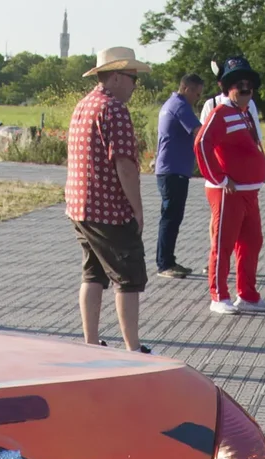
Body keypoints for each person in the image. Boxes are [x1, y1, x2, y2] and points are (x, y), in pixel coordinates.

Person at [67, 47, 152, 352]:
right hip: (109, 209)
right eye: (132, 78)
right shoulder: (114, 109)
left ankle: (90, 341)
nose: (134, 85)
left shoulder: (84, 105)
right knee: (127, 277)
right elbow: (125, 165)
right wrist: (137, 208)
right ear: (116, 77)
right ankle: (133, 346)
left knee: (92, 273)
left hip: (81, 205)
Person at [196, 57, 265, 315]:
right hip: (229, 192)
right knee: (224, 244)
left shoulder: (245, 112)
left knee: (252, 242)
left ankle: (248, 295)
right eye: (239, 84)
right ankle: (218, 295)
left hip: (249, 192)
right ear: (228, 87)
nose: (245, 89)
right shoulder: (221, 112)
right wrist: (219, 178)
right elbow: (201, 144)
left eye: (248, 84)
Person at [154, 73, 204, 279]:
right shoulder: (181, 106)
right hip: (173, 170)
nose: (198, 99)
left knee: (172, 217)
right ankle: (164, 264)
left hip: (171, 169)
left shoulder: (171, 104)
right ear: (187, 89)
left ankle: (168, 260)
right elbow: (200, 132)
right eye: (198, 94)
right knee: (170, 217)